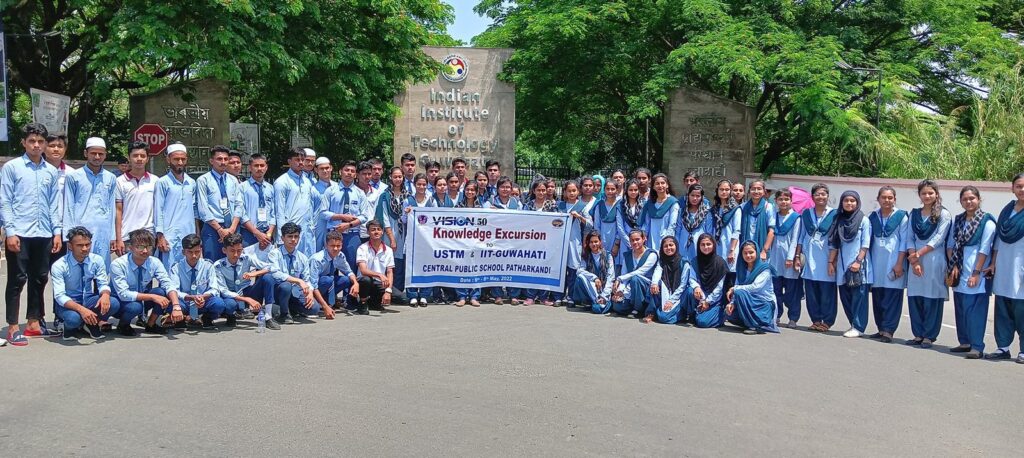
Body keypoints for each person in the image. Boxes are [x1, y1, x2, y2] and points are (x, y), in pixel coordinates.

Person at [2, 123, 64, 345]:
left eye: (40, 142)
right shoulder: (12, 168)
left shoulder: (51, 170)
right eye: (32, 141)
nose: (36, 145)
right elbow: (5, 201)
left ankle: (33, 323)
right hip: (19, 233)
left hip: (44, 233)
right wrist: (10, 232)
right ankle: (12, 326)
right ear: (24, 143)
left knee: (40, 278)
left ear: (45, 144)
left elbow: (53, 205)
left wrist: (57, 233)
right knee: (17, 280)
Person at [945, 186, 996, 359]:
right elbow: (951, 245)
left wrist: (976, 272)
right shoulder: (958, 220)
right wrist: (954, 266)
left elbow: (984, 249)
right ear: (960, 201)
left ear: (979, 199)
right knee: (961, 307)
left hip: (977, 271)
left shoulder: (986, 222)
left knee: (975, 310)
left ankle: (976, 346)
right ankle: (965, 342)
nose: (969, 201)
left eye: (972, 198)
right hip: (959, 269)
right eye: (965, 199)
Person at [51, 226, 122, 341]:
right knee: (73, 319)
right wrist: (81, 310)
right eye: (79, 245)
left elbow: (103, 282)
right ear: (70, 246)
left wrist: (105, 295)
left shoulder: (97, 260)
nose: (85, 248)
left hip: (88, 300)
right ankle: (70, 328)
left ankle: (90, 323)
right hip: (69, 304)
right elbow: (59, 296)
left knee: (113, 303)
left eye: (87, 244)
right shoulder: (59, 265)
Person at [906, 179, 952, 348]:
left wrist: (918, 255)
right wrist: (914, 258)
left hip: (934, 259)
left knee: (932, 297)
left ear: (936, 194)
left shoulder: (944, 214)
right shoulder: (914, 214)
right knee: (916, 296)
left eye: (930, 193)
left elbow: (938, 239)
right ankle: (918, 334)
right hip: (914, 261)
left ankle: (929, 336)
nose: (927, 196)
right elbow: (909, 237)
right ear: (919, 195)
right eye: (924, 193)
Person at [110, 229, 182, 335]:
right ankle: (123, 324)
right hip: (120, 302)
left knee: (162, 292)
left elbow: (168, 283)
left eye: (148, 247)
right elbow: (123, 294)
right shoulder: (118, 264)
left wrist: (176, 306)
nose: (145, 251)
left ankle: (151, 324)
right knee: (135, 306)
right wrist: (152, 297)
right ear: (130, 247)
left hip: (140, 299)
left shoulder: (154, 262)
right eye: (140, 247)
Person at [64, 137, 117, 268]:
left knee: (101, 272)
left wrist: (113, 236)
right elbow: (68, 207)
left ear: (105, 155)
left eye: (101, 154)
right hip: (80, 231)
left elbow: (112, 208)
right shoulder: (74, 177)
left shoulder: (111, 178)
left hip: (103, 231)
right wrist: (69, 236)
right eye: (93, 153)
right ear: (85, 153)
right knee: (79, 271)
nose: (97, 157)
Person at [988, 173, 1024, 362]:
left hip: (1021, 269)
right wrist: (993, 262)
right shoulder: (1007, 210)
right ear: (1012, 189)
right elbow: (998, 240)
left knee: (1022, 311)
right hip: (1004, 267)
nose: (1022, 190)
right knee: (1003, 309)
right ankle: (1003, 347)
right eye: (1019, 186)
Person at [794, 183, 838, 332]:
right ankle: (815, 319)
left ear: (827, 196)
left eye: (823, 194)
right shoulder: (806, 214)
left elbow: (837, 239)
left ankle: (827, 321)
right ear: (812, 197)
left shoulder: (834, 214)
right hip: (810, 258)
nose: (820, 197)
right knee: (811, 292)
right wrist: (797, 256)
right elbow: (801, 237)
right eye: (817, 194)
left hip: (827, 258)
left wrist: (833, 260)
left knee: (827, 293)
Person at [829, 191, 872, 338]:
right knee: (845, 296)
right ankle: (853, 324)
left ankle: (859, 327)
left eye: (852, 201)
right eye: (846, 200)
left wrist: (858, 261)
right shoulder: (838, 220)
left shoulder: (863, 220)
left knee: (859, 296)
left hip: (858, 264)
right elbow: (834, 243)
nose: (849, 203)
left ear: (857, 202)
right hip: (842, 264)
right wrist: (831, 262)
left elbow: (865, 244)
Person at [868, 186, 909, 343]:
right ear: (878, 199)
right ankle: (881, 328)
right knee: (878, 296)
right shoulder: (872, 217)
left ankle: (889, 330)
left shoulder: (901, 217)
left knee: (892, 297)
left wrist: (899, 263)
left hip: (894, 261)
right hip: (876, 262)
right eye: (883, 197)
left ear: (895, 199)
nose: (887, 200)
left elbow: (904, 241)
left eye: (890, 198)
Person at [211, 233, 277, 329]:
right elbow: (223, 290)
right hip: (231, 295)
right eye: (232, 251)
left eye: (239, 251)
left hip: (246, 291)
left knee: (268, 277)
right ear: (224, 250)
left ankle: (268, 316)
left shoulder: (246, 258)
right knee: (230, 304)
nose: (236, 254)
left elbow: (271, 267)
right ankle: (231, 315)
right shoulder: (218, 266)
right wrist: (246, 299)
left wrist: (255, 273)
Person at [167, 234, 226, 329]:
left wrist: (202, 297)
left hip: (203, 301)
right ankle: (180, 320)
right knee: (170, 304)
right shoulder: (176, 267)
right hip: (185, 301)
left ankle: (207, 319)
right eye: (190, 252)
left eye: (197, 252)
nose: (194, 256)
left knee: (219, 303)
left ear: (201, 250)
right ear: (183, 252)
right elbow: (174, 290)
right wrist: (190, 297)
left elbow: (214, 288)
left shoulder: (208, 265)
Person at [154, 143, 198, 270]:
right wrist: (160, 236)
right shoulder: (162, 182)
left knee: (188, 269)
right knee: (170, 271)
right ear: (168, 160)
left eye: (183, 159)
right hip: (170, 236)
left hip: (188, 233)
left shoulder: (191, 183)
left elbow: (194, 211)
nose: (179, 162)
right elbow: (158, 210)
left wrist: (197, 233)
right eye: (176, 159)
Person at [196, 146, 244, 260]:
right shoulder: (203, 180)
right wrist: (219, 230)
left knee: (234, 262)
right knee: (212, 263)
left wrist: (232, 229)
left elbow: (239, 205)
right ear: (211, 161)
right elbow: (203, 209)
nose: (223, 162)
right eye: (219, 159)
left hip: (232, 228)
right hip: (212, 229)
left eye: (226, 159)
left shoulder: (233, 180)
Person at [322, 160, 369, 273]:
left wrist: (349, 224)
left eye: (352, 171)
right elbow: (323, 213)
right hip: (333, 233)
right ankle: (331, 290)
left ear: (355, 174)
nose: (349, 173)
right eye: (346, 170)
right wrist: (341, 216)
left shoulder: (359, 193)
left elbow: (364, 216)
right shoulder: (330, 191)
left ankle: (351, 291)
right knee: (330, 268)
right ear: (340, 172)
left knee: (352, 268)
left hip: (352, 235)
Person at [268, 223, 319, 322]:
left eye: (296, 236)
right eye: (290, 236)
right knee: (286, 285)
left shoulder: (302, 257)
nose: (293, 240)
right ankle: (284, 314)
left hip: (295, 292)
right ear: (282, 238)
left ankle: (289, 308)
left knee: (314, 308)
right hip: (279, 291)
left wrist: (310, 292)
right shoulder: (274, 254)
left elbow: (307, 279)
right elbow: (275, 273)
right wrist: (298, 281)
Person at [725, 241, 779, 334]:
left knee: (740, 292)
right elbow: (739, 285)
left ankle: (753, 326)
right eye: (745, 253)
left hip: (763, 304)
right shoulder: (741, 269)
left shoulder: (764, 268)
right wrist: (732, 303)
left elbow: (755, 287)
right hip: (747, 301)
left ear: (756, 252)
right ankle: (752, 322)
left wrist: (734, 288)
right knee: (728, 313)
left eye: (751, 252)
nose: (748, 255)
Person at [114, 141, 156, 256]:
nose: (139, 159)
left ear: (147, 159)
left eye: (142, 156)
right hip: (127, 236)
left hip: (149, 235)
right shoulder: (119, 181)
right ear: (129, 157)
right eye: (135, 155)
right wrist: (118, 239)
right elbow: (118, 211)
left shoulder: (155, 181)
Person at [275, 147, 319, 256]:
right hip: (291, 231)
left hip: (307, 229)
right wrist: (283, 235)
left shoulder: (308, 181)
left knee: (307, 260)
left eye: (302, 159)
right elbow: (279, 210)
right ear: (289, 161)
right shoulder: (282, 182)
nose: (300, 162)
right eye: (297, 159)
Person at [642, 236, 696, 324]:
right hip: (666, 292)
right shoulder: (662, 261)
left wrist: (671, 301)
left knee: (664, 318)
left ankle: (683, 313)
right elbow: (657, 272)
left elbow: (682, 285)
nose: (668, 248)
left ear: (676, 246)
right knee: (654, 285)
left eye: (671, 245)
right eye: (665, 246)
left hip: (680, 296)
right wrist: (654, 283)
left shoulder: (684, 263)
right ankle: (651, 312)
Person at [770, 188, 803, 328]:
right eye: (780, 199)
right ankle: (776, 315)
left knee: (792, 292)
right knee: (775, 290)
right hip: (774, 258)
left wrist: (791, 257)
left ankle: (793, 317)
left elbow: (796, 239)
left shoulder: (796, 218)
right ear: (776, 201)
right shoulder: (773, 216)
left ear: (791, 201)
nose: (783, 202)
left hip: (789, 259)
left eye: (786, 199)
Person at [402, 173, 436, 306]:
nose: (421, 186)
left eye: (424, 184)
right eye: (419, 184)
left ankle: (424, 295)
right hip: (411, 239)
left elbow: (437, 220)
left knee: (426, 267)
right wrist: (406, 212)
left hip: (427, 241)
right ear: (414, 185)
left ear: (427, 185)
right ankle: (412, 294)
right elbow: (403, 220)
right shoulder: (407, 200)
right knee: (411, 267)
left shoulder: (432, 201)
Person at [523, 179, 558, 305]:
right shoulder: (528, 205)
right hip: (531, 241)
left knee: (544, 268)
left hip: (547, 242)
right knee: (531, 268)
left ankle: (543, 297)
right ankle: (530, 296)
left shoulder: (552, 205)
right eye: (539, 190)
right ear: (534, 191)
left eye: (543, 190)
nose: (541, 192)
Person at [557, 179, 591, 306]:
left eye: (574, 190)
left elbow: (590, 224)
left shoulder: (582, 206)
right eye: (568, 191)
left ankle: (571, 295)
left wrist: (579, 217)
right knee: (560, 269)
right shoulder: (559, 205)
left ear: (578, 191)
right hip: (560, 242)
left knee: (573, 269)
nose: (571, 193)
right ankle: (558, 295)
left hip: (575, 241)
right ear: (564, 192)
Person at [609, 229, 657, 317]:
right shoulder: (627, 255)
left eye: (637, 239)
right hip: (629, 288)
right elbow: (624, 275)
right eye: (632, 240)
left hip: (645, 287)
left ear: (644, 239)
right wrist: (620, 291)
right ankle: (631, 306)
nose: (635, 242)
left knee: (636, 278)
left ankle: (639, 309)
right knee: (616, 306)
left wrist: (619, 278)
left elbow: (641, 272)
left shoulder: (651, 254)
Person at [308, 230, 358, 315]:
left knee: (347, 280)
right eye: (332, 246)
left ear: (342, 245)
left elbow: (349, 272)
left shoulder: (340, 255)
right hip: (315, 287)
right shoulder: (317, 259)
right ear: (326, 245)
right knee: (327, 280)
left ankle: (331, 301)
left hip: (327, 285)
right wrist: (325, 307)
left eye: (338, 246)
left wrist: (356, 283)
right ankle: (322, 303)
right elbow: (313, 285)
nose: (335, 249)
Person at [378, 167, 408, 294]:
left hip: (404, 232)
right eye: (395, 176)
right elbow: (384, 218)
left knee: (400, 261)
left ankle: (398, 290)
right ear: (390, 177)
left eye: (400, 177)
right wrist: (391, 238)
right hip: (388, 232)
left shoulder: (408, 196)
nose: (397, 179)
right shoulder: (385, 196)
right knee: (388, 260)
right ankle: (386, 290)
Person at [356, 220, 395, 315]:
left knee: (403, 299)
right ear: (368, 232)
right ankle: (363, 302)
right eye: (373, 230)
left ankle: (374, 303)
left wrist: (388, 291)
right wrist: (380, 275)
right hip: (364, 281)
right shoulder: (362, 248)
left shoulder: (388, 250)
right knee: (366, 280)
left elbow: (390, 272)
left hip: (380, 282)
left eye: (379, 229)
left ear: (382, 232)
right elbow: (363, 270)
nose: (376, 232)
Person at [454, 182, 484, 306]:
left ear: (476, 192)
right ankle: (462, 296)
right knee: (461, 269)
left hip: (476, 243)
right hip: (461, 243)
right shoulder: (458, 207)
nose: (470, 192)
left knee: (476, 269)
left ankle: (474, 296)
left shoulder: (482, 208)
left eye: (472, 190)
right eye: (468, 190)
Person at [45, 133, 73, 264]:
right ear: (44, 147)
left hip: (63, 228)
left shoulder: (72, 174)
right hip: (41, 227)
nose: (56, 149)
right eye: (52, 146)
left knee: (60, 270)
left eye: (60, 146)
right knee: (39, 273)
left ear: (65, 149)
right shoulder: (37, 171)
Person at [238, 154, 276, 250]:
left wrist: (269, 233)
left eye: (262, 165)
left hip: (267, 234)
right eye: (256, 166)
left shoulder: (270, 188)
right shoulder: (242, 187)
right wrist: (256, 232)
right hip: (249, 234)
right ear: (250, 168)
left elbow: (273, 213)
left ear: (266, 167)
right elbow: (241, 213)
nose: (259, 168)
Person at [573, 231, 616, 313]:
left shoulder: (608, 255)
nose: (594, 244)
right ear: (588, 243)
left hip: (604, 289)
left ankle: (601, 301)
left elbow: (611, 277)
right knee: (580, 278)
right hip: (592, 288)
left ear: (600, 242)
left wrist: (604, 296)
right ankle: (591, 301)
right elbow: (579, 271)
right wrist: (594, 278)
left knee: (597, 309)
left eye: (596, 241)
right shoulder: (586, 255)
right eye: (591, 242)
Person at [692, 234, 728, 328]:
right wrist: (696, 287)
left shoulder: (720, 263)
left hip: (716, 299)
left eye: (708, 244)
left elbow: (721, 287)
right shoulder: (695, 261)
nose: (706, 247)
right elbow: (691, 278)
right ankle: (696, 313)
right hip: (700, 296)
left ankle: (722, 315)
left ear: (714, 245)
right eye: (702, 244)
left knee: (702, 322)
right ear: (698, 246)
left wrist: (708, 301)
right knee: (688, 292)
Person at [711, 179, 741, 289]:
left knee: (729, 276)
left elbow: (736, 230)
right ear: (717, 191)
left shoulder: (735, 209)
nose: (724, 192)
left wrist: (732, 250)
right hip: (717, 245)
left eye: (727, 189)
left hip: (730, 245)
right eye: (722, 189)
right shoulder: (715, 208)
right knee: (718, 276)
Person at [641, 173, 679, 251]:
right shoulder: (650, 203)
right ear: (653, 187)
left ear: (667, 185)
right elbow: (647, 223)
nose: (660, 185)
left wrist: (666, 241)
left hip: (666, 238)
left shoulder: (673, 202)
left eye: (662, 183)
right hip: (651, 239)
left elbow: (672, 224)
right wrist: (644, 236)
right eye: (657, 183)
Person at [739, 180, 776, 260]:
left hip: (762, 249)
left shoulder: (768, 207)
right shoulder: (743, 207)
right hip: (745, 249)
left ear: (764, 191)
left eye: (759, 189)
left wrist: (764, 251)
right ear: (749, 191)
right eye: (753, 189)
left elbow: (771, 231)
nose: (756, 191)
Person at [677, 184, 713, 262]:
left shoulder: (706, 213)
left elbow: (709, 232)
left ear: (702, 197)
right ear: (688, 196)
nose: (695, 198)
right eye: (692, 195)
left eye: (698, 196)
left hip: (700, 246)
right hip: (683, 246)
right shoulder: (682, 212)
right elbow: (678, 231)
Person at [615, 179, 645, 271]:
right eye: (630, 190)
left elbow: (645, 223)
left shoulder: (644, 204)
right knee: (625, 266)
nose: (633, 192)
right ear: (626, 190)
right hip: (626, 241)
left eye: (635, 190)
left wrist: (639, 240)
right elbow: (620, 226)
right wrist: (629, 242)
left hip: (640, 241)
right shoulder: (621, 205)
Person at [593, 180, 620, 273]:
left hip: (616, 242)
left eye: (613, 189)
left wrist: (616, 244)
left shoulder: (620, 205)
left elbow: (620, 227)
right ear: (604, 190)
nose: (610, 191)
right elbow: (596, 225)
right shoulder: (599, 205)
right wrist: (599, 243)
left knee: (615, 267)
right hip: (602, 241)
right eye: (607, 189)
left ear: (617, 190)